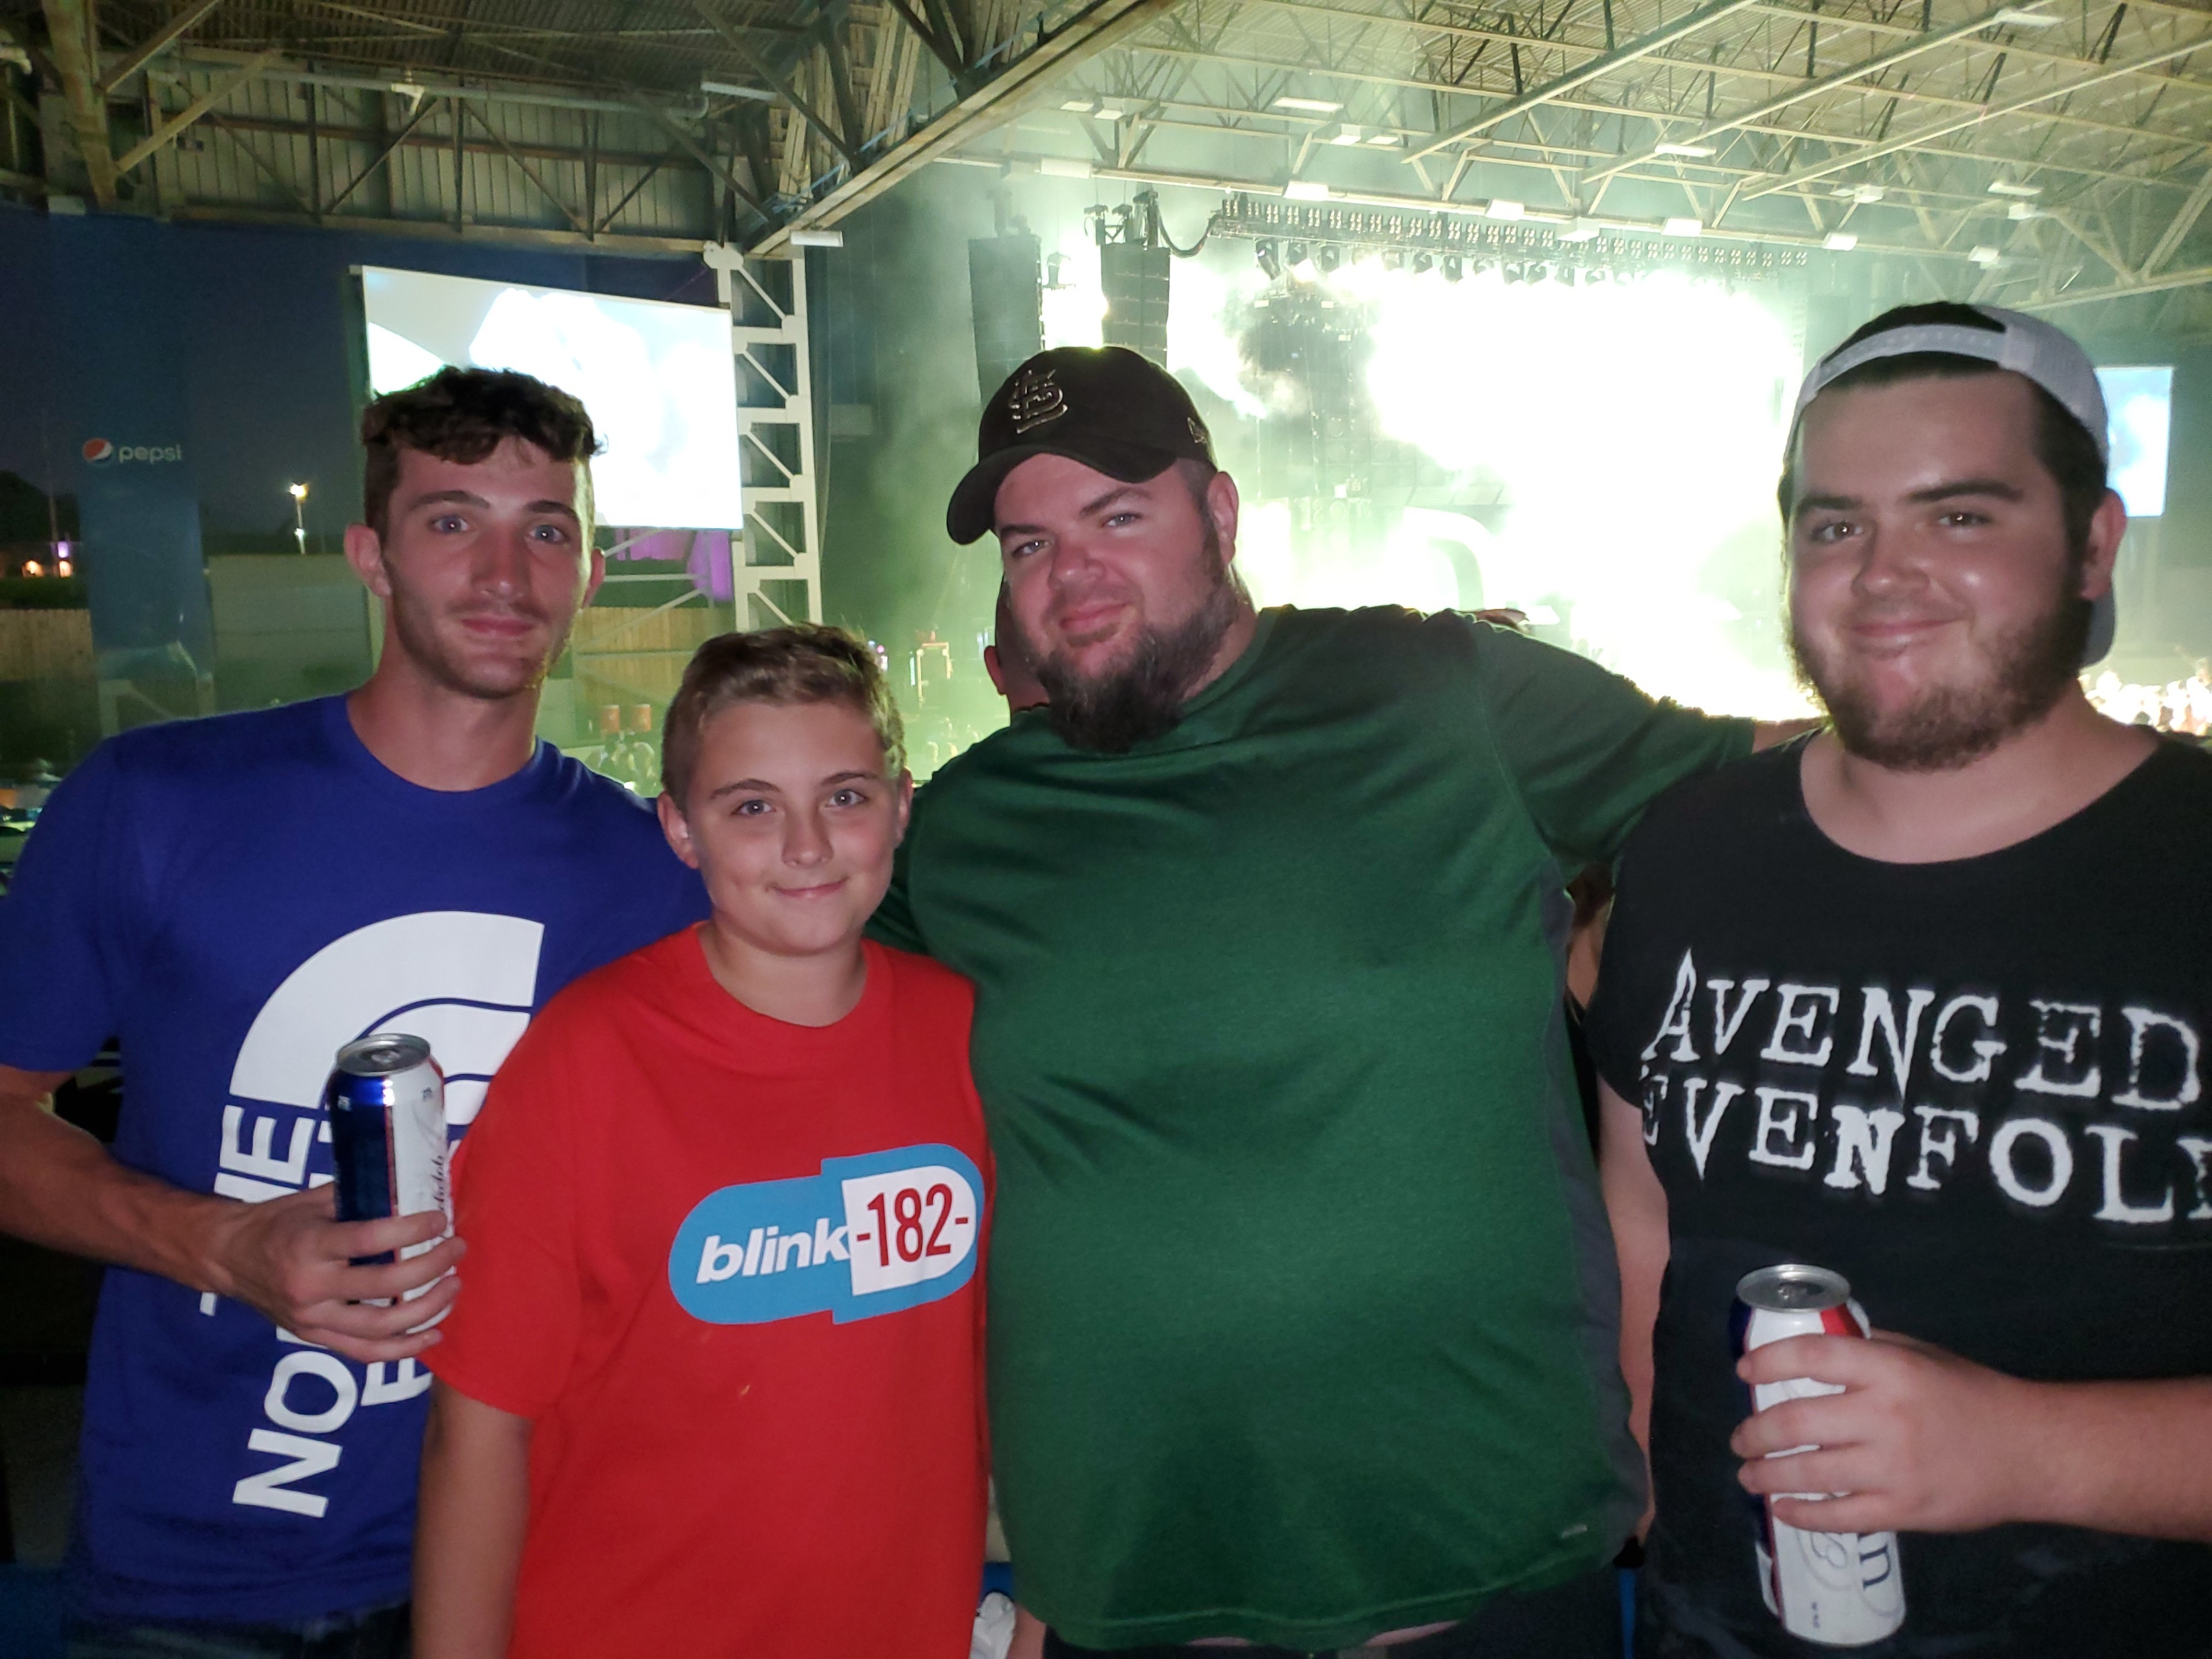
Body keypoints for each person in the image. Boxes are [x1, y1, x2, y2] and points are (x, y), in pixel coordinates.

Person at [873, 344, 1804, 1655]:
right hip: (1128, 1576)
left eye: (1118, 517)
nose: (1072, 573)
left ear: (1220, 511)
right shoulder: (965, 828)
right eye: (1031, 546)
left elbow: (1766, 793)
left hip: (1476, 1556)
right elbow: (767, 1011)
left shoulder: (1440, 693)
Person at [0, 367, 708, 1656]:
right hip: (193, 1586)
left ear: (591, 574)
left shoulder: (653, 876)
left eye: (546, 530)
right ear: (369, 557)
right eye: (453, 521)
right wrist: (225, 1248)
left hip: (523, 1566)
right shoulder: (155, 804)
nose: (504, 573)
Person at [1587, 302, 2212, 1658]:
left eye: (1961, 515)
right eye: (1835, 527)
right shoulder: (1691, 853)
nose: (1883, 574)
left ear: (2094, 544)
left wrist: (2034, 1449)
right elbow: (1643, 1219)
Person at [413, 626, 990, 1659]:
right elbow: (480, 1430)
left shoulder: (968, 1036)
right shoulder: (585, 1062)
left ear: (903, 805)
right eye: (753, 807)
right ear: (680, 829)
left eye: (845, 796)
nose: (806, 847)